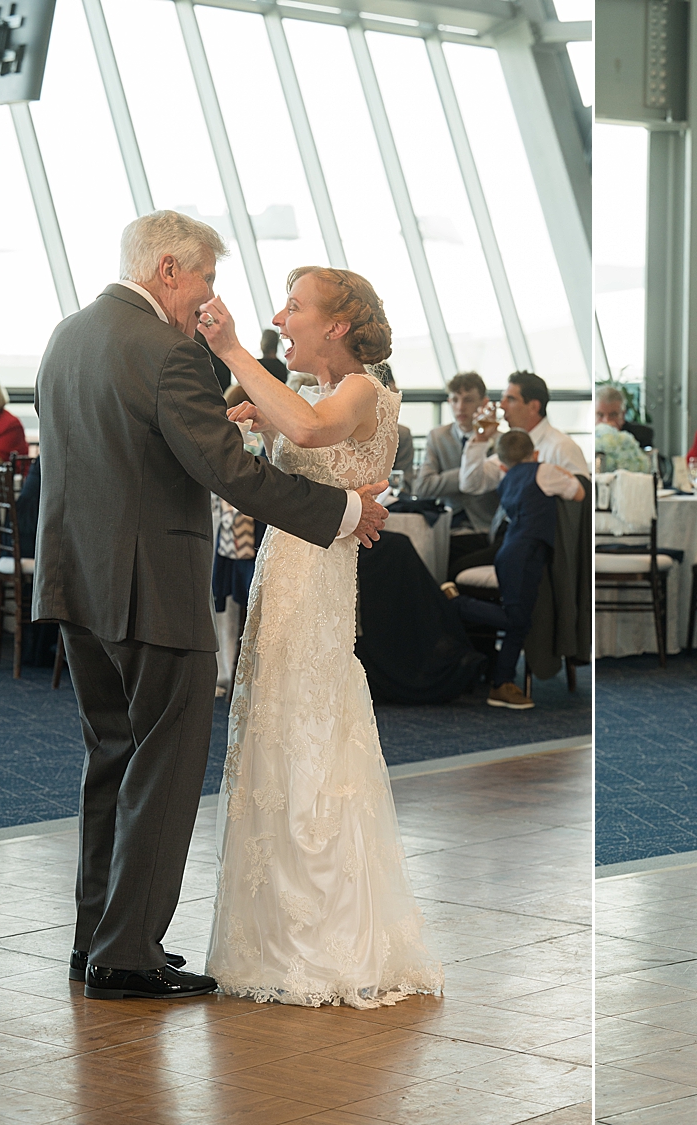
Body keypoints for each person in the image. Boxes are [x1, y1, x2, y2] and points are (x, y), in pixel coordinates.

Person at [33, 211, 389, 1002]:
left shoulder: (66, 336)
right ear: (168, 270)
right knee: (162, 765)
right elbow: (231, 472)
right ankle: (127, 954)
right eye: (207, 280)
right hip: (150, 588)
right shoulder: (167, 352)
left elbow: (110, 452)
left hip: (74, 584)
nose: (211, 298)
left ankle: (94, 938)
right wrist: (340, 514)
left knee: (111, 759)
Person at [199, 265, 442, 1008]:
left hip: (316, 582)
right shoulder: (310, 392)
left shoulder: (362, 391)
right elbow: (276, 443)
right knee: (275, 732)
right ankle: (273, 932)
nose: (281, 316)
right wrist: (242, 415)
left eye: (295, 306)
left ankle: (323, 936)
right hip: (285, 570)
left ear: (338, 325)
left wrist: (236, 350)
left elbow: (310, 433)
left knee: (310, 734)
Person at [446, 428, 584, 710]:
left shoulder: (507, 479)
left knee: (518, 622)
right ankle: (459, 605)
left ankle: (502, 682)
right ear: (535, 454)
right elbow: (579, 493)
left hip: (509, 552)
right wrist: (562, 474)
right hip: (527, 555)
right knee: (518, 619)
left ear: (502, 464)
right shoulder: (544, 471)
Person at [417, 372, 501, 567]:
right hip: (446, 526)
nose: (460, 407)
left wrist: (449, 479)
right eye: (455, 400)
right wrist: (471, 471)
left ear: (484, 402)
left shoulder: (498, 442)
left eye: (468, 400)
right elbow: (423, 487)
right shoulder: (438, 437)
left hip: (484, 527)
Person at [460, 370, 589, 491]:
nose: (502, 406)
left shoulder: (561, 447)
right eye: (503, 399)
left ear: (533, 406)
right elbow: (470, 485)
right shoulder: (511, 445)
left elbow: (582, 498)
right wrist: (480, 439)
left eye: (510, 399)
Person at [596, 384, 654, 448]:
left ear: (623, 414)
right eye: (600, 415)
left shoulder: (641, 434)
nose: (606, 420)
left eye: (613, 415)